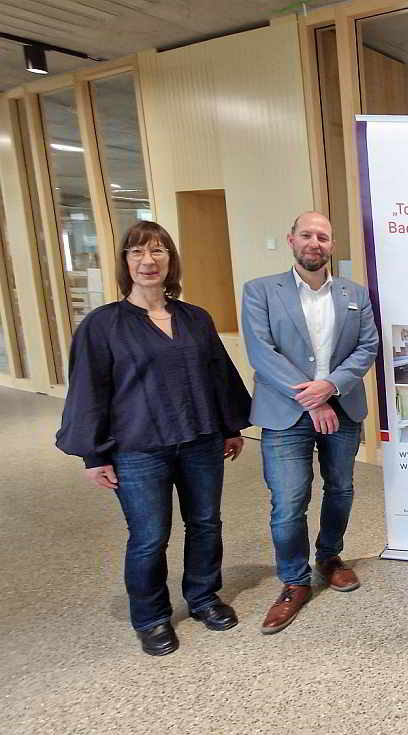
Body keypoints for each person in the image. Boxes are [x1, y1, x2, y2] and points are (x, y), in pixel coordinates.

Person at [56, 220, 251, 656]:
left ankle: (203, 597)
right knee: (149, 536)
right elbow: (89, 390)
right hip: (138, 449)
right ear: (125, 261)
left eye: (158, 250)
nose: (149, 260)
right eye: (138, 251)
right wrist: (93, 455)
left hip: (200, 440)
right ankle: (151, 617)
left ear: (170, 260)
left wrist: (230, 427)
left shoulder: (195, 318)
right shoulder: (102, 325)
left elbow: (217, 375)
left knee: (205, 523)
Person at [242, 211, 379, 635]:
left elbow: (367, 346)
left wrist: (331, 387)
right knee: (289, 500)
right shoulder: (260, 291)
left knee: (340, 488)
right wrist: (313, 399)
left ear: (331, 245)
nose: (314, 243)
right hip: (285, 413)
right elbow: (262, 353)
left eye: (322, 237)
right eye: (306, 235)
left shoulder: (355, 294)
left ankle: (329, 557)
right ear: (291, 239)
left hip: (342, 406)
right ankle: (294, 581)